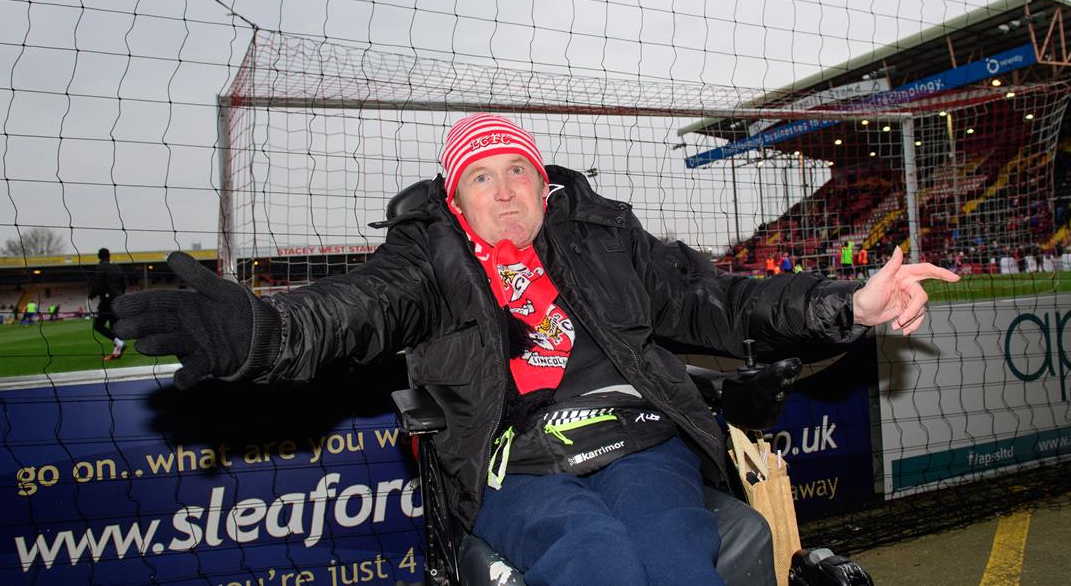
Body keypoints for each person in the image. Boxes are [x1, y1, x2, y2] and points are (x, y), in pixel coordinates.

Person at [113, 113, 958, 586]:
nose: (506, 189)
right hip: (512, 464)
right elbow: (349, 313)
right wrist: (261, 333)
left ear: (544, 186)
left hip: (638, 444)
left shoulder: (605, 237)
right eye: (482, 177)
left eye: (519, 170)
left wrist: (849, 302)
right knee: (597, 562)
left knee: (674, 556)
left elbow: (724, 300)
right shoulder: (428, 262)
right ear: (456, 199)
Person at [89, 247, 127, 360]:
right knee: (114, 327)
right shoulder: (117, 267)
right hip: (119, 300)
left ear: (99, 256)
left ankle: (119, 343)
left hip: (107, 300)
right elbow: (124, 283)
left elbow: (98, 284)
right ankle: (117, 353)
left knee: (98, 325)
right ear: (109, 255)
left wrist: (92, 295)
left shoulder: (101, 267)